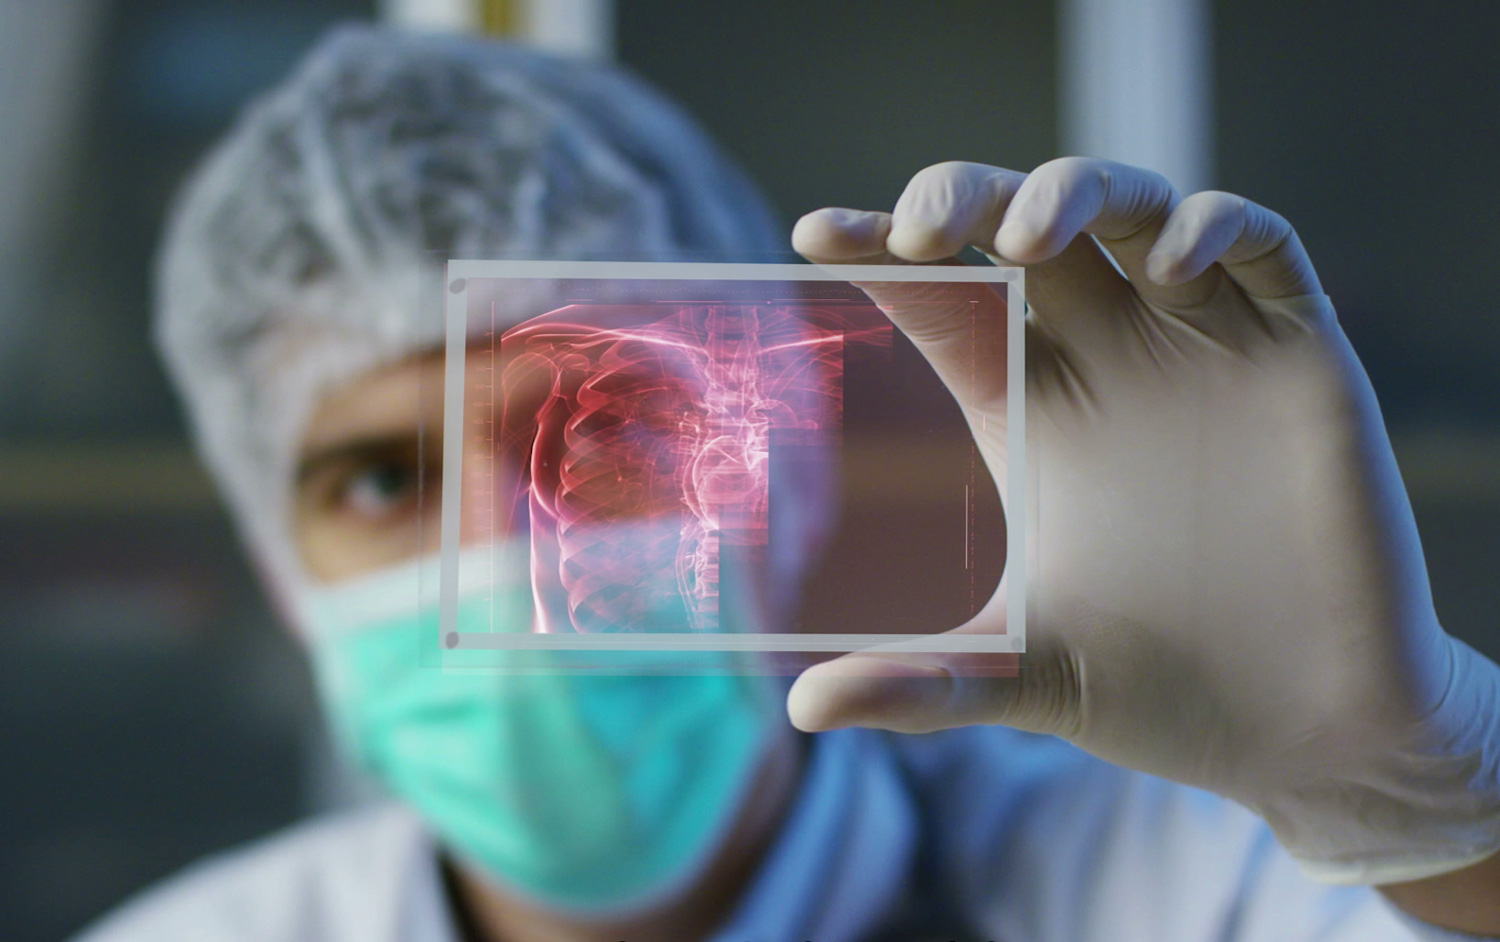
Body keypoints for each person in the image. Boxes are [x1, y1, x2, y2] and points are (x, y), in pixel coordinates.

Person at [74, 23, 1500, 942]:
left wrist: (1423, 810)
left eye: (606, 426)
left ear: (782, 479)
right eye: (381, 476)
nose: (506, 555)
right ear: (284, 566)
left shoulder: (1177, 890)